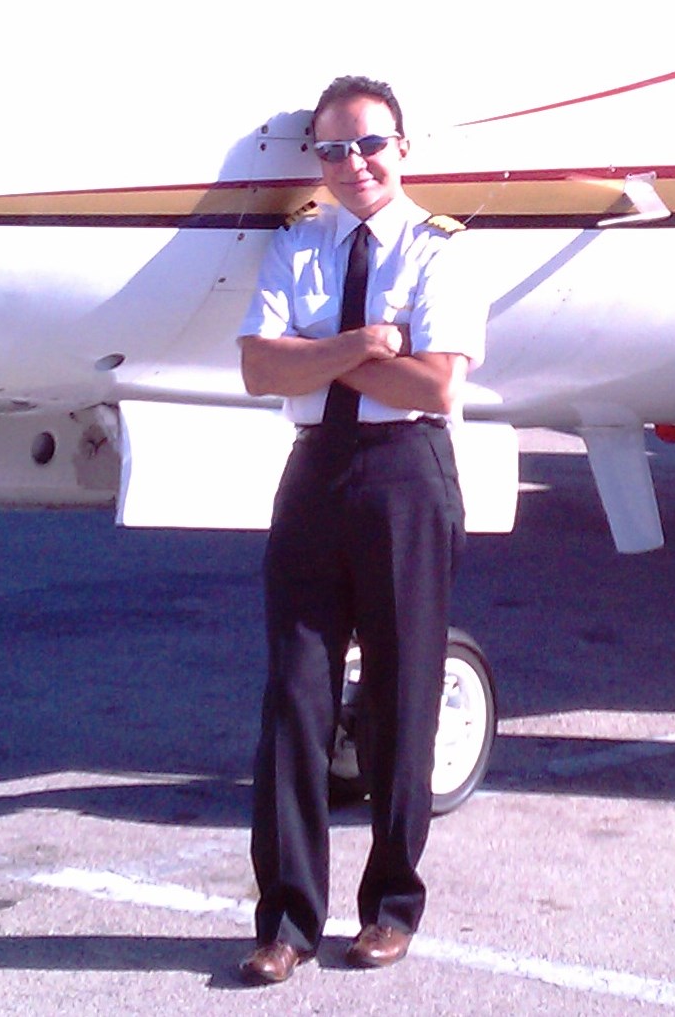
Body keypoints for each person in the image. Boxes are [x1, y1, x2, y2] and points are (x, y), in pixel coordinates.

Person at [234, 75, 483, 985]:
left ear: (402, 149)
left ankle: (390, 908)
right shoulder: (298, 242)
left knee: (401, 698)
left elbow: (436, 386)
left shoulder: (439, 248)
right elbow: (259, 370)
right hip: (314, 478)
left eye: (371, 144)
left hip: (405, 477)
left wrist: (316, 356)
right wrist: (367, 345)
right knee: (293, 703)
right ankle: (287, 923)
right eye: (334, 149)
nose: (355, 163)